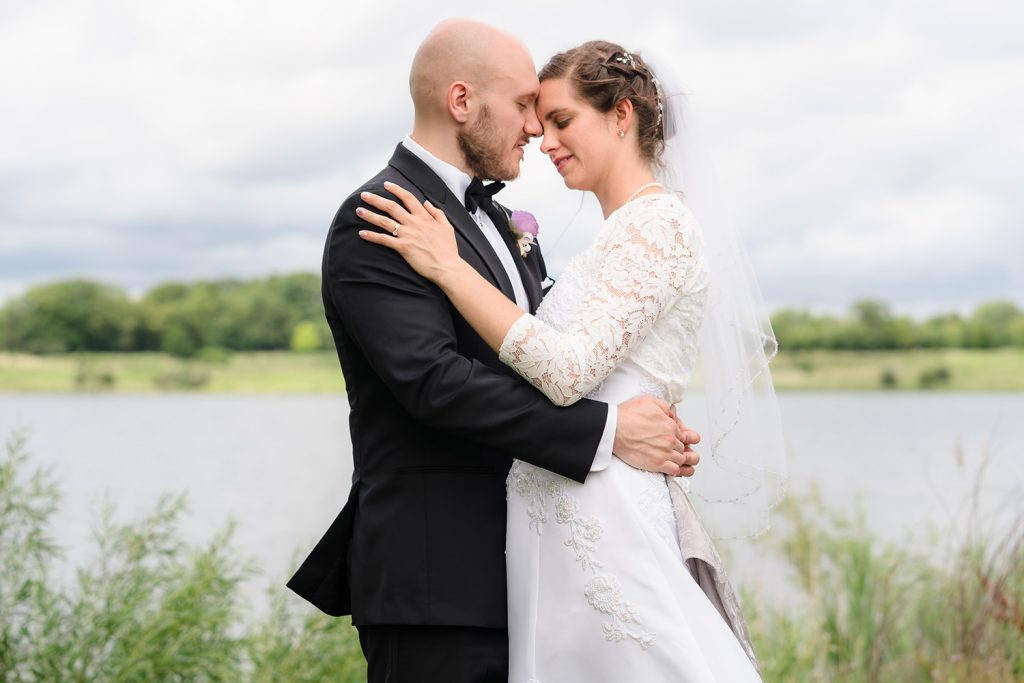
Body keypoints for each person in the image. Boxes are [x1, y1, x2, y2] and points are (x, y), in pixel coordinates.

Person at [357, 39, 787, 681]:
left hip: (605, 509)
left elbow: (566, 371)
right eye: (537, 115)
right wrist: (617, 427)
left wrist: (448, 267)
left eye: (561, 119)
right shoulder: (610, 237)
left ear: (622, 116)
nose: (543, 136)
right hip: (554, 514)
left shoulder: (658, 226)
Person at [286, 21, 703, 683]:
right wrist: (607, 430)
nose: (537, 130)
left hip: (534, 567)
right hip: (437, 582)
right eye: (522, 106)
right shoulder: (381, 218)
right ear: (461, 102)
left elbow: (552, 355)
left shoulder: (502, 226)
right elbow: (435, 381)